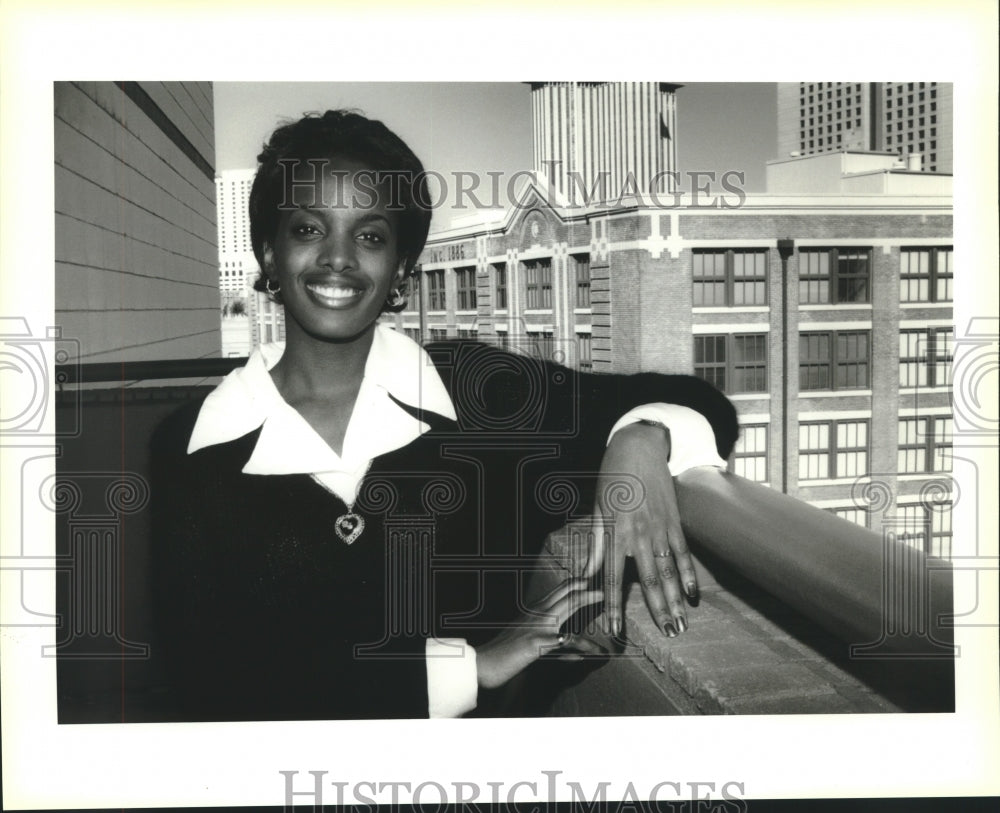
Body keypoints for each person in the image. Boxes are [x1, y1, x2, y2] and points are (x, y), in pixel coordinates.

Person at [151, 109, 739, 721]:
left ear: (402, 268)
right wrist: (469, 667)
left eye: (371, 236)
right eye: (307, 229)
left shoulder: (481, 395)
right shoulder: (194, 447)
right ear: (269, 255)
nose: (339, 259)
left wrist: (641, 443)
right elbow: (210, 685)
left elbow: (704, 406)